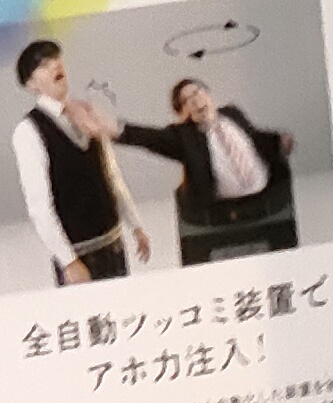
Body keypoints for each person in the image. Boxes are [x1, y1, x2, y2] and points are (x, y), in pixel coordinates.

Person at [9, 38, 151, 287]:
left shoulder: (87, 113)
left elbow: (111, 175)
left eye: (56, 59)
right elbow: (39, 206)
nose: (55, 66)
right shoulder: (29, 131)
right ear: (31, 84)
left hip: (114, 245)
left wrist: (136, 225)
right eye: (43, 65)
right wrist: (68, 261)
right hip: (80, 256)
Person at [113, 75, 298, 267]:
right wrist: (113, 129)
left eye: (197, 92)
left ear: (209, 95)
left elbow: (253, 138)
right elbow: (148, 137)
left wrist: (279, 141)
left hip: (266, 201)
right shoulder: (185, 137)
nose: (195, 100)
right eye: (186, 101)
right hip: (220, 213)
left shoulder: (233, 113)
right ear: (183, 114)